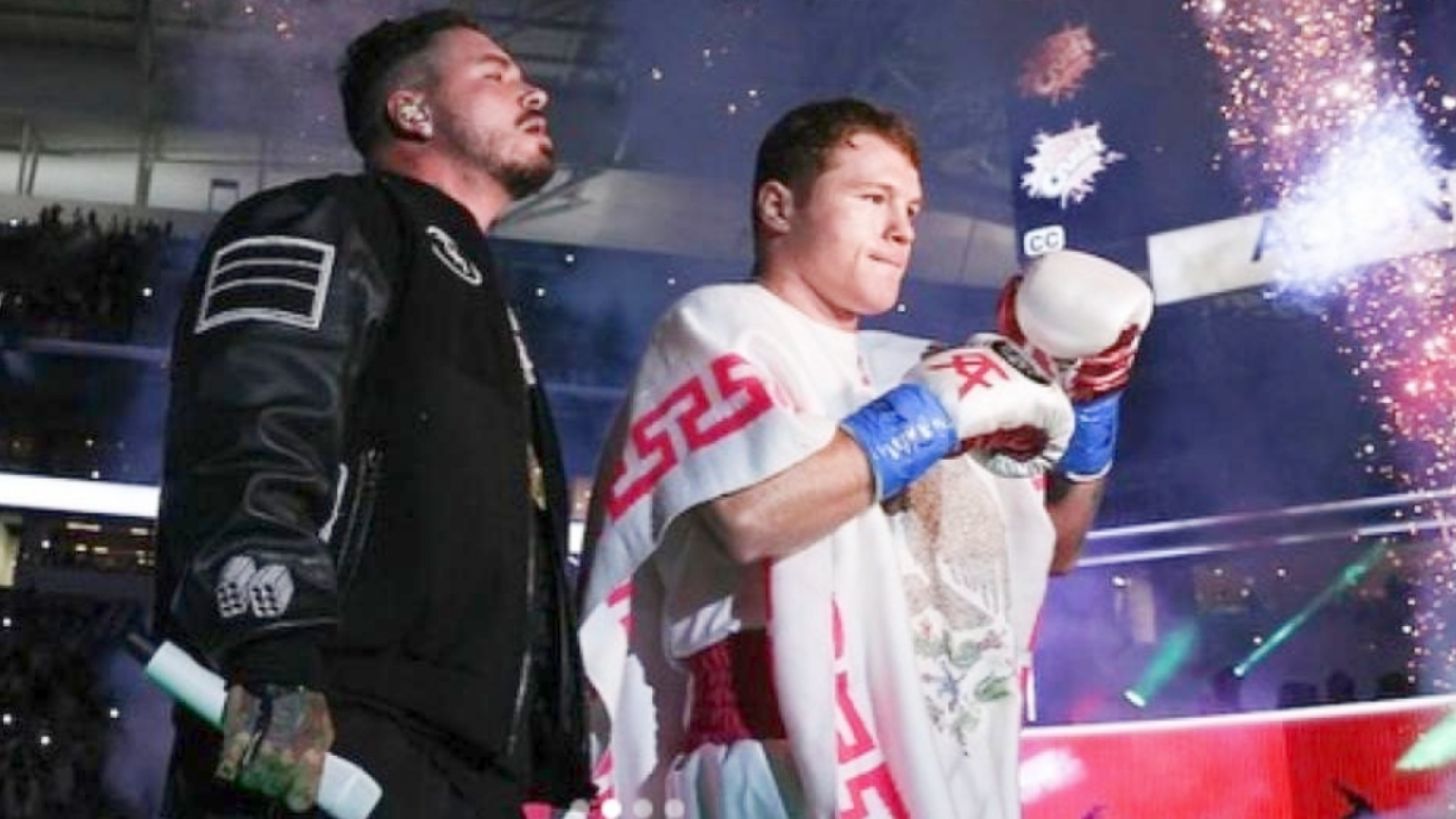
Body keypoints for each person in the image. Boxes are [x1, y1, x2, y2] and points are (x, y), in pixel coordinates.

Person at [578, 98, 1122, 818]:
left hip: (919, 757)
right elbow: (750, 517)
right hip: (769, 760)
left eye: (912, 209)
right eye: (872, 198)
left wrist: (1090, 414)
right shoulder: (722, 326)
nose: (902, 229)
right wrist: (937, 414)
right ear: (779, 206)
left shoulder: (911, 366)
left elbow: (1051, 547)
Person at [153, 9, 591, 817]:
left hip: (468, 767)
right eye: (493, 75)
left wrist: (554, 720)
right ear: (411, 110)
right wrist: (273, 656)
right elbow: (250, 435)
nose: (534, 92)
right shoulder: (324, 222)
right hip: (335, 728)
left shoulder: (488, 305)